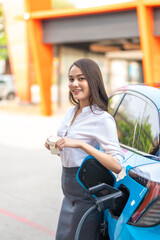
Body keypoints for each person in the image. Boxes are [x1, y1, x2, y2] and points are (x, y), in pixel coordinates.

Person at [45, 58, 124, 240]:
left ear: (93, 80)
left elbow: (117, 165)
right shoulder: (71, 112)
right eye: (71, 79)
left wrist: (82, 144)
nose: (75, 84)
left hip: (86, 195)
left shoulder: (102, 119)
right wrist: (56, 145)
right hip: (68, 194)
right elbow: (71, 152)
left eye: (81, 78)